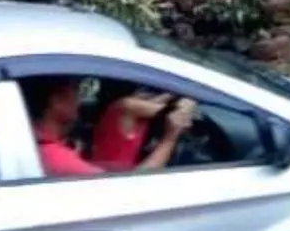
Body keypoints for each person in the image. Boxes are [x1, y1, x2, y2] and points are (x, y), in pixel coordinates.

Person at [23, 76, 194, 177]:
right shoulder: (57, 158)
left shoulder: (32, 137)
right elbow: (132, 190)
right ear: (56, 101)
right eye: (75, 90)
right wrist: (169, 138)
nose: (79, 99)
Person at [89, 82, 194, 172]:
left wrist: (174, 93)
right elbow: (171, 113)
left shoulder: (119, 110)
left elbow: (157, 103)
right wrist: (189, 100)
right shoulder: (126, 106)